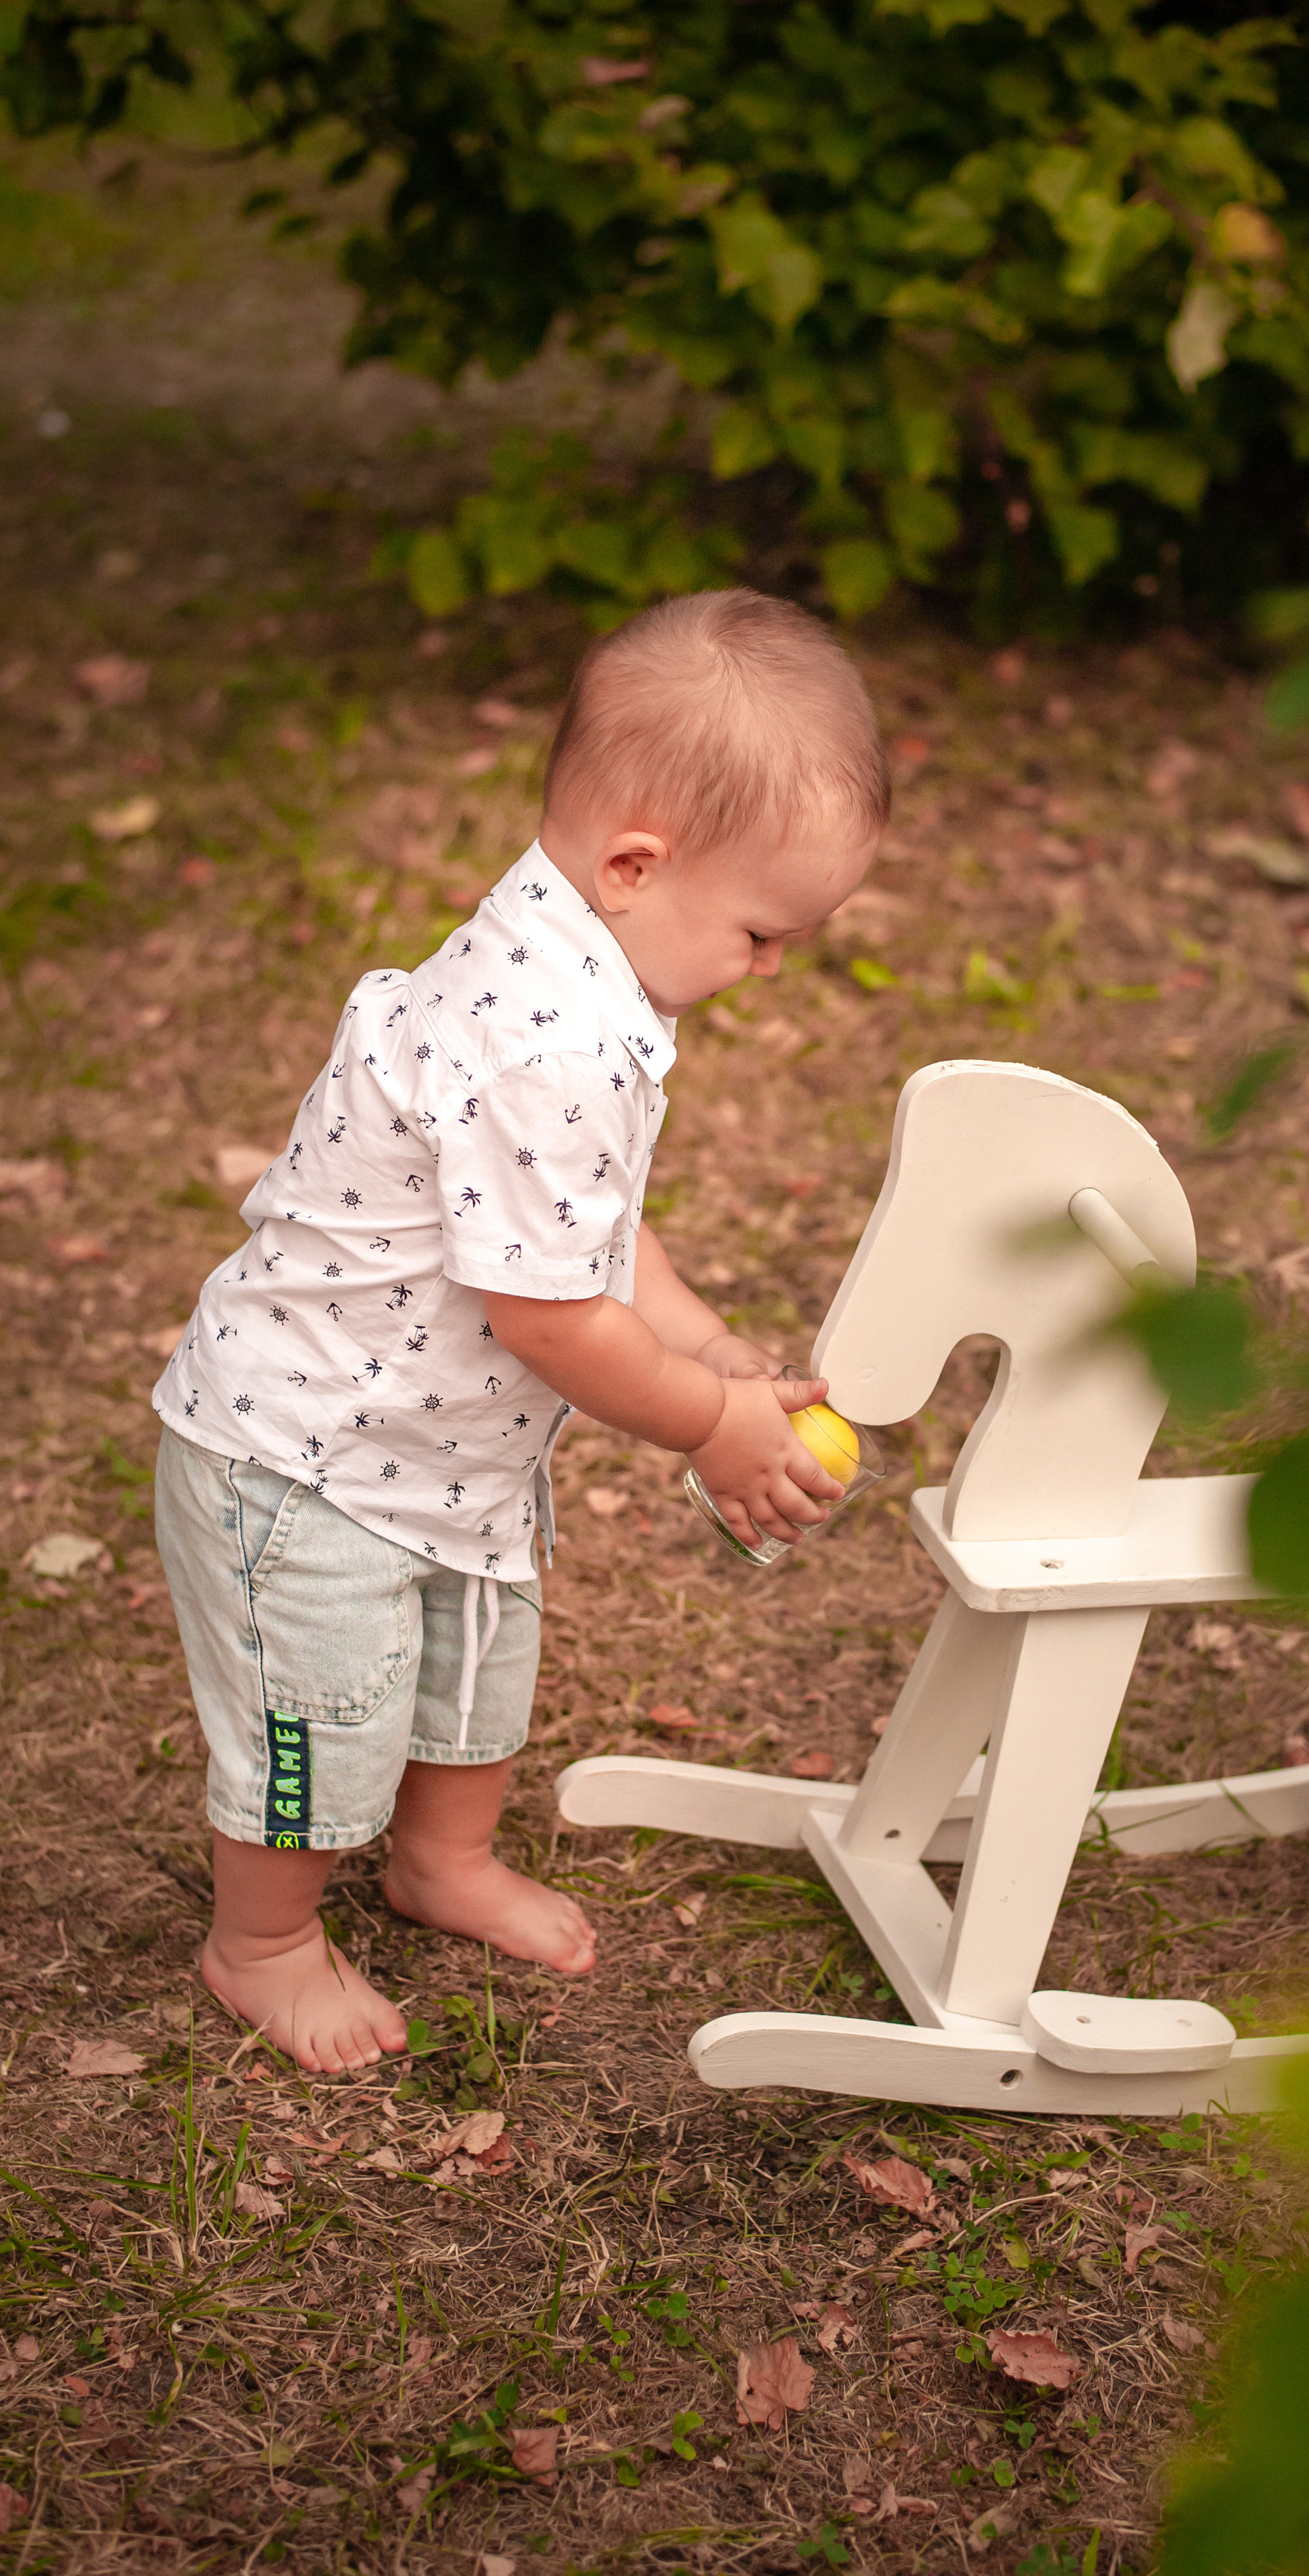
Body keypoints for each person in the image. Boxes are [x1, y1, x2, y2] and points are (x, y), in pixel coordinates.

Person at [151, 589, 887, 2071]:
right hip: (305, 1462)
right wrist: (707, 1420)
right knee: (327, 1706)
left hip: (442, 1455)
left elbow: (593, 1225)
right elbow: (547, 1313)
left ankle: (440, 1864)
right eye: (759, 933)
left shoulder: (581, 972)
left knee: (474, 1665)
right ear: (634, 864)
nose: (767, 968)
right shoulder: (539, 1035)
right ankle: (266, 1941)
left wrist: (715, 1350)